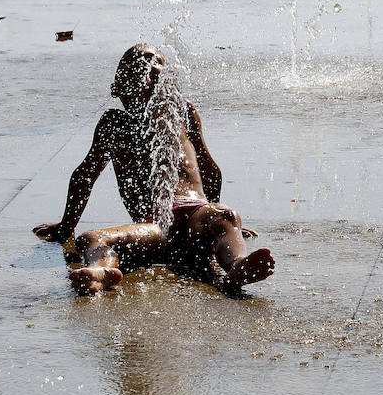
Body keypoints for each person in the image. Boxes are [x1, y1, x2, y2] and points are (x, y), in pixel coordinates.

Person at [34, 44, 275, 296]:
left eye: (155, 65)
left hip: (196, 216)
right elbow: (85, 175)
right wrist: (66, 226)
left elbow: (208, 167)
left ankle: (237, 266)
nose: (148, 68)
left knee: (225, 215)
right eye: (139, 67)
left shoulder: (182, 111)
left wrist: (223, 228)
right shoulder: (113, 125)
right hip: (154, 227)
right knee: (90, 239)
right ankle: (101, 270)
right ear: (119, 87)